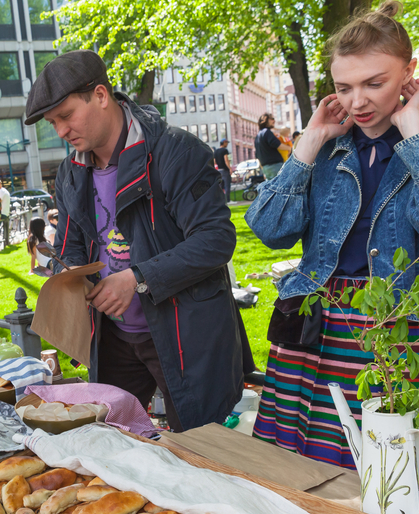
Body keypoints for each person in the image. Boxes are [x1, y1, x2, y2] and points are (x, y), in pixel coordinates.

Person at [245, 0, 419, 514]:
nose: (357, 101)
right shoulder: (328, 147)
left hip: (395, 324)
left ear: (409, 71)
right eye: (344, 86)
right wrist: (308, 142)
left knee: (394, 481)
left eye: (374, 83)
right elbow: (268, 229)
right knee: (294, 477)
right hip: (317, 325)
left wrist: (412, 129)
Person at [26, 49, 251, 431]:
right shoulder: (70, 172)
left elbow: (215, 239)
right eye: (53, 123)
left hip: (186, 337)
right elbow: (71, 248)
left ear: (100, 95)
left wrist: (136, 277)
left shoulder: (175, 151)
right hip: (113, 339)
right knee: (106, 445)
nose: (61, 131)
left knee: (203, 455)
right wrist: (66, 288)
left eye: (65, 116)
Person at [254, 113, 291, 179]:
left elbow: (257, 155)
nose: (274, 121)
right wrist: (289, 148)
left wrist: (263, 168)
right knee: (281, 186)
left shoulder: (258, 136)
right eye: (272, 119)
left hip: (265, 168)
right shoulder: (267, 132)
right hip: (275, 166)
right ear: (265, 120)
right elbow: (277, 144)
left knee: (272, 188)